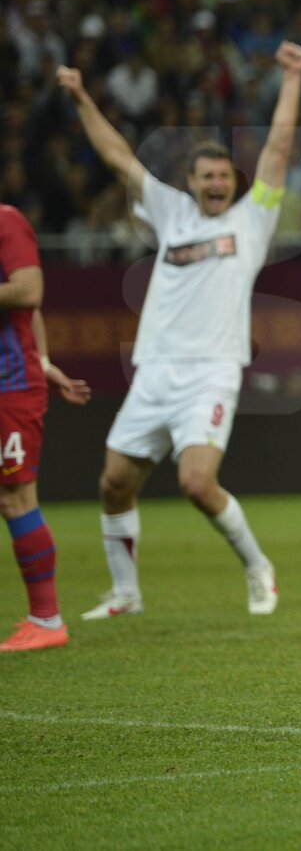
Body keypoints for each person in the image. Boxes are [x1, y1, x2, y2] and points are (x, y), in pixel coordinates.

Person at [55, 41, 301, 620]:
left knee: (196, 483)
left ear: (234, 181)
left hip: (211, 372)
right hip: (154, 372)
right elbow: (119, 156)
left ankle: (256, 566)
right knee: (114, 484)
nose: (216, 184)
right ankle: (125, 593)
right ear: (191, 182)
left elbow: (278, 146)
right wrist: (81, 99)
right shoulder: (172, 213)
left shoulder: (254, 217)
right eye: (206, 177)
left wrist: (292, 79)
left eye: (224, 176)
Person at [0, 201, 92, 651]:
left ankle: (48, 619)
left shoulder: (6, 221)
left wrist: (37, 364)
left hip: (8, 385)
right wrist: (46, 360)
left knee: (14, 497)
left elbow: (27, 293)